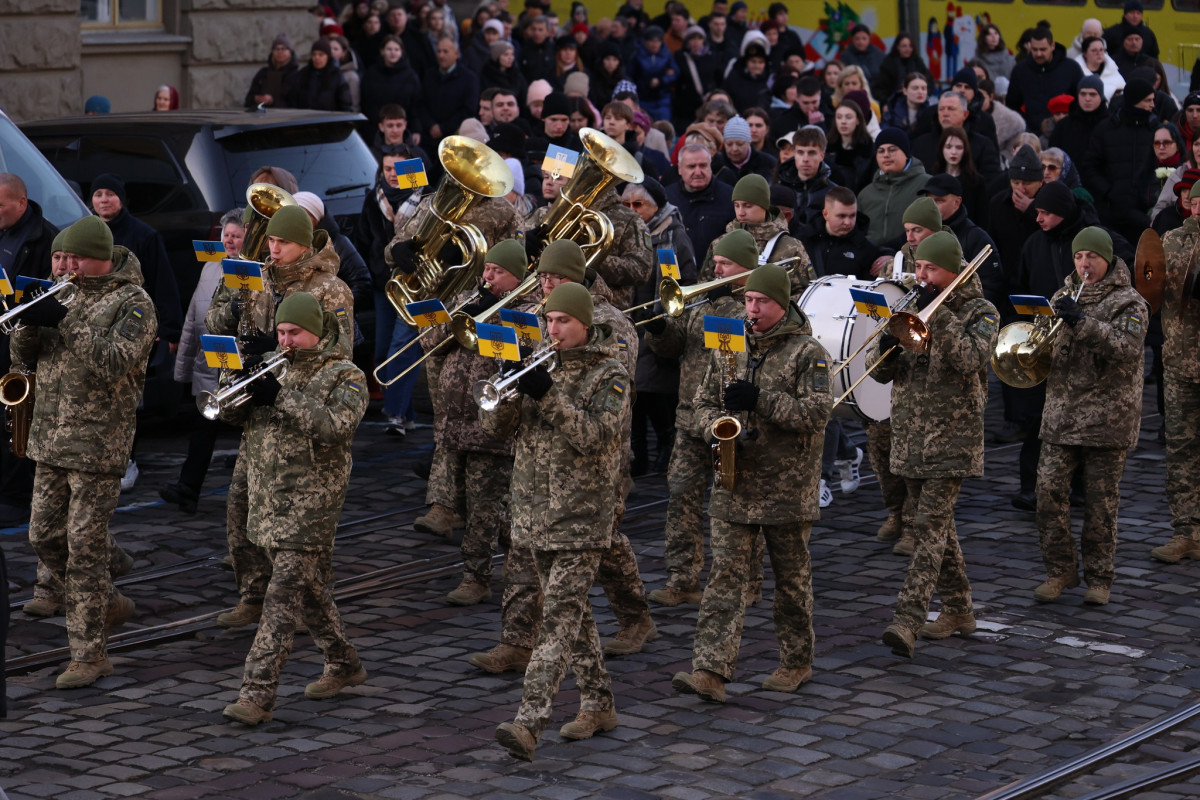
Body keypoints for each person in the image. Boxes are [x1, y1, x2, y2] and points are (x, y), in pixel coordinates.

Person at [672, 262, 831, 701]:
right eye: (749, 300)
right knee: (724, 578)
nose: (753, 309)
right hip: (734, 480)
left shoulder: (808, 352)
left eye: (762, 302)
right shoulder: (731, 345)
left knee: (791, 579)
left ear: (783, 304)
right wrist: (715, 425)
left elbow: (817, 415)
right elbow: (700, 403)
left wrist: (762, 400)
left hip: (786, 488)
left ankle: (796, 661)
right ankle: (710, 670)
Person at [14, 216, 157, 688]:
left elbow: (115, 363)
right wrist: (28, 325)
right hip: (51, 438)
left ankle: (89, 654)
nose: (64, 266)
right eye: (59, 257)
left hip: (98, 443)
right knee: (42, 536)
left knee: (82, 550)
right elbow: (25, 360)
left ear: (101, 256)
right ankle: (108, 594)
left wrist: (67, 320)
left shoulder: (132, 302)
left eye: (73, 258)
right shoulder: (57, 294)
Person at [489, 283, 629, 761]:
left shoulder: (609, 374)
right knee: (575, 614)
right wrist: (510, 390)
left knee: (558, 618)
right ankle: (599, 703)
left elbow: (594, 436)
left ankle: (529, 723)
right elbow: (493, 429)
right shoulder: (539, 366)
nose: (553, 329)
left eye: (563, 321)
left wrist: (547, 395)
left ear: (586, 324)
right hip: (534, 515)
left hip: (582, 518)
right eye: (549, 321)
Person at [220, 292, 369, 725]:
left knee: (281, 597)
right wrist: (237, 383)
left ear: (317, 333)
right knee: (312, 593)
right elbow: (229, 418)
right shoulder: (272, 366)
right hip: (268, 500)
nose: (285, 341)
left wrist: (279, 395)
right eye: (281, 332)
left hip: (312, 504)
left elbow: (335, 427)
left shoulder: (346, 376)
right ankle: (343, 662)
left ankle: (256, 694)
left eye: (295, 333)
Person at [206, 205, 355, 628]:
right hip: (260, 416)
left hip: (303, 415)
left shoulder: (331, 290)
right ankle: (252, 594)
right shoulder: (258, 277)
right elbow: (216, 323)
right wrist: (236, 308)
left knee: (301, 531)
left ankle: (312, 607)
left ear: (304, 245)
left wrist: (275, 346)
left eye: (283, 242)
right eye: (270, 240)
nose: (273, 249)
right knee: (241, 512)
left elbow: (340, 354)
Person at [872, 231, 998, 658]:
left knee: (927, 528)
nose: (922, 276)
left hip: (953, 439)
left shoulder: (982, 312)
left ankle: (907, 620)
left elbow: (968, 360)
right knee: (940, 528)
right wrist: (885, 349)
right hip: (909, 438)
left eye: (931, 270)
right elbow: (878, 375)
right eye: (919, 268)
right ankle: (960, 609)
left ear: (953, 272)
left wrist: (938, 313)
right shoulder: (909, 306)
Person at [1033, 228, 1147, 605]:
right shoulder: (1062, 295)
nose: (1084, 264)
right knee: (1047, 494)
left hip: (1106, 421)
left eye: (1092, 258)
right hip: (1061, 417)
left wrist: (1082, 323)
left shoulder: (1130, 303)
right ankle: (1060, 570)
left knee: (1100, 504)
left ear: (1107, 260)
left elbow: (1126, 348)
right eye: (1079, 257)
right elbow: (1043, 348)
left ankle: (1099, 579)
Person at [643, 229, 756, 605]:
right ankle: (682, 578)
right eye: (717, 262)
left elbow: (749, 346)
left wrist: (722, 303)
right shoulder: (701, 302)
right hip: (691, 417)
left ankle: (744, 581)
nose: (716, 268)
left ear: (745, 270)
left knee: (734, 504)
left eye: (726, 265)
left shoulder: (753, 305)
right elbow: (677, 346)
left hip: (730, 423)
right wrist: (659, 330)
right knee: (681, 496)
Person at [90, 173, 183, 490]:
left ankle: (126, 458)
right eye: (98, 194)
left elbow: (163, 283)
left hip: (132, 328)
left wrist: (169, 330)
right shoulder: (84, 234)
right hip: (93, 330)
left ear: (122, 198)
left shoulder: (144, 235)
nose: (104, 199)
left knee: (127, 398)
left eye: (110, 194)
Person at [160, 209, 245, 513]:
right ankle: (188, 488)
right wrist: (183, 363)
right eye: (226, 235)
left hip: (240, 365)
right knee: (203, 427)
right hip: (209, 361)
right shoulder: (211, 266)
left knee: (247, 430)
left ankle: (248, 499)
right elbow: (193, 316)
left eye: (236, 235)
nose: (230, 240)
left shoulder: (253, 269)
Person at [0, 174, 58, 522]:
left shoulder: (44, 238)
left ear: (21, 203)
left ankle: (17, 496)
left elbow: (46, 296)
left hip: (22, 341)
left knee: (15, 420)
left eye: (1, 205)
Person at [1150, 182, 1200, 563]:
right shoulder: (1171, 240)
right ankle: (1186, 531)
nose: (1197, 207)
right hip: (1180, 358)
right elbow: (1149, 283)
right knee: (1181, 447)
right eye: (1194, 201)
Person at [697, 174, 813, 298]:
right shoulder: (719, 243)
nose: (740, 212)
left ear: (764, 205)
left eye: (748, 206)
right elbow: (702, 288)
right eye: (737, 205)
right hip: (724, 315)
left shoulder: (790, 247)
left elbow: (807, 294)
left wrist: (774, 307)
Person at [1080, 77, 1159, 247]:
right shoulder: (1106, 129)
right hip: (1112, 213)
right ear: (1135, 100)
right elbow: (1090, 166)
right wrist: (1109, 191)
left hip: (1145, 213)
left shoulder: (1156, 129)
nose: (1152, 104)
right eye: (1148, 100)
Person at [858, 128, 930, 245]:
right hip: (873, 259)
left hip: (914, 257)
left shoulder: (926, 185)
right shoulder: (865, 194)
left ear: (906, 154)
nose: (886, 155)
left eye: (892, 150)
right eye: (881, 151)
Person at [1006, 28, 1083, 133]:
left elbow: (1080, 102)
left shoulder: (1071, 68)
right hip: (1030, 134)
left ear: (1052, 46)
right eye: (1034, 49)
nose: (1038, 54)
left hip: (1064, 133)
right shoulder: (1020, 71)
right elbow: (1012, 106)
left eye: (1043, 49)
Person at [667, 144, 736, 259]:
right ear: (680, 169)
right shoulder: (666, 198)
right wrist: (669, 275)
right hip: (675, 273)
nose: (698, 172)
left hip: (716, 273)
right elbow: (662, 243)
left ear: (710, 166)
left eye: (703, 166)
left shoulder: (730, 197)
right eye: (691, 166)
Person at [420, 37, 481, 145]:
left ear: (456, 54)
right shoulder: (429, 75)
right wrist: (431, 125)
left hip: (455, 138)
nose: (441, 55)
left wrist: (443, 128)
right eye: (438, 51)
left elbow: (469, 109)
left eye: (445, 51)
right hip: (429, 137)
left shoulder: (469, 78)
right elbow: (421, 103)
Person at [286, 38, 353, 111]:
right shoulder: (303, 74)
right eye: (314, 54)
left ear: (327, 56)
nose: (316, 58)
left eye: (321, 55)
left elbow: (345, 105)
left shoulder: (337, 76)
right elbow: (294, 99)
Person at [711, 115, 777, 185]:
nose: (734, 149)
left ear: (749, 142)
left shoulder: (768, 163)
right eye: (729, 144)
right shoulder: (716, 164)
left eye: (740, 144)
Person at [245, 34, 299, 109]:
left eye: (283, 49)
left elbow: (294, 103)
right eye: (276, 49)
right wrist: (256, 99)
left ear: (290, 52)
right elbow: (248, 99)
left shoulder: (295, 75)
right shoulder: (263, 73)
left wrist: (272, 101)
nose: (280, 52)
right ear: (272, 52)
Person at [873, 33, 931, 101]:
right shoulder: (889, 63)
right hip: (894, 103)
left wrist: (923, 95)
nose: (908, 49)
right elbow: (879, 88)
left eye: (910, 46)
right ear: (898, 47)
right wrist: (887, 103)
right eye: (904, 46)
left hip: (917, 102)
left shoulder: (917, 62)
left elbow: (929, 81)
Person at [1073, 36, 1125, 101]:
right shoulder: (1076, 73)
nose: (1099, 53)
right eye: (1094, 50)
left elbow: (1123, 89)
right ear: (1085, 53)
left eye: (1101, 50)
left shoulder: (1113, 71)